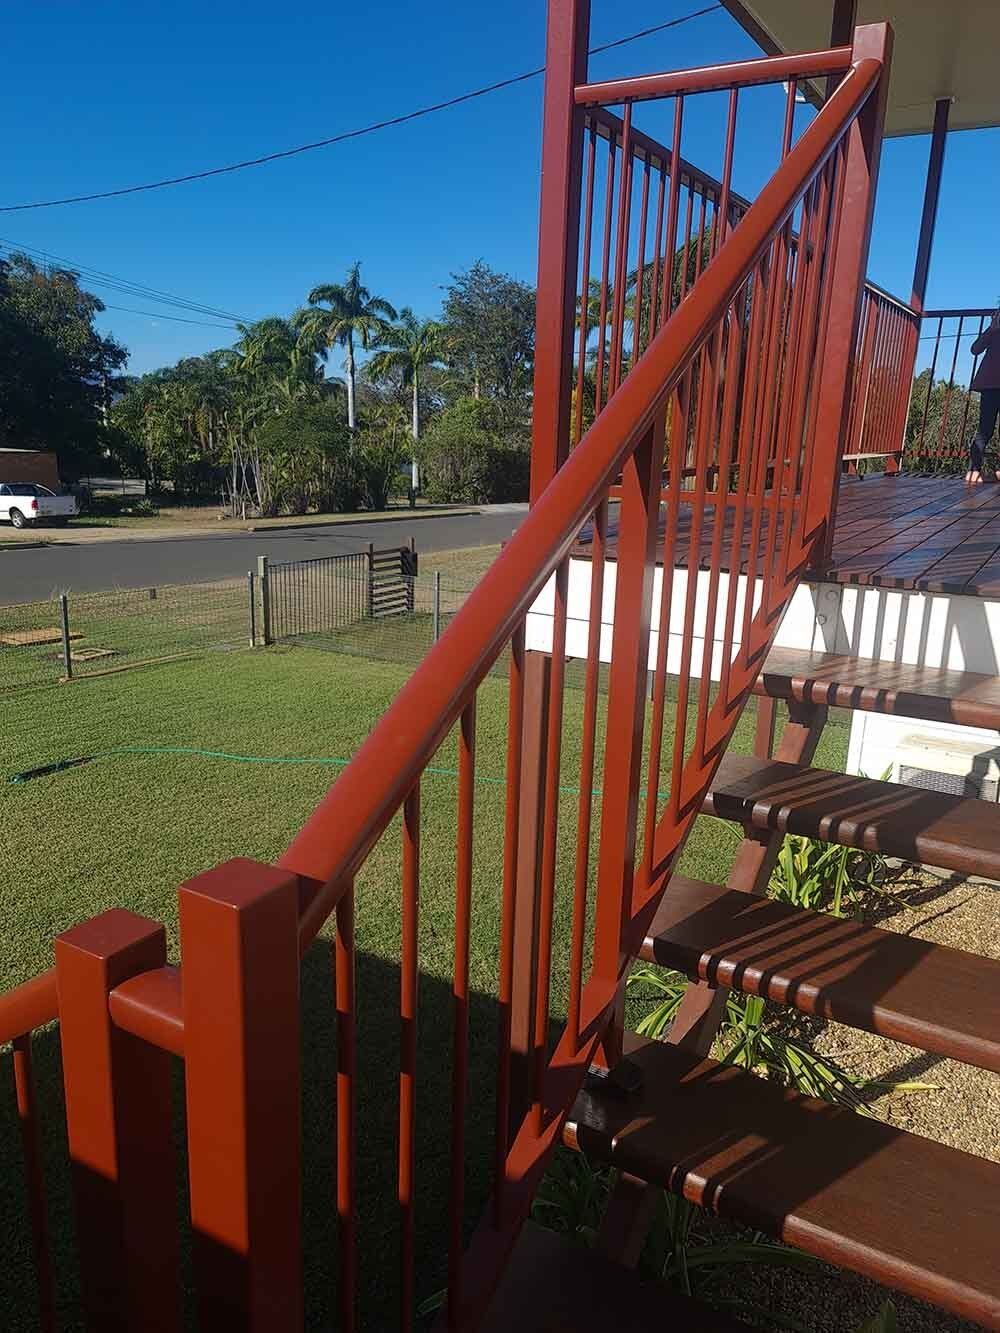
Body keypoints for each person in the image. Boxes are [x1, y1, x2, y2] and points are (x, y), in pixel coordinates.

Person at [966, 310, 1000, 484]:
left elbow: (975, 349)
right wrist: (992, 329)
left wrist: (991, 330)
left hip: (988, 385)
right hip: (990, 386)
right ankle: (974, 471)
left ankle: (973, 471)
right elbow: (975, 349)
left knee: (984, 429)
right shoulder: (994, 330)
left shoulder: (993, 330)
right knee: (984, 429)